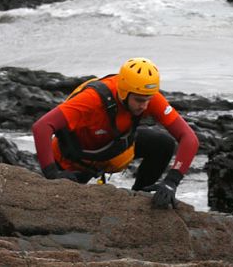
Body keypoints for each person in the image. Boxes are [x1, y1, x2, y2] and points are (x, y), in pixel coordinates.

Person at [32, 57, 199, 209]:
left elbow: (189, 138)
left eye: (148, 99)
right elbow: (42, 127)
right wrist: (52, 174)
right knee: (60, 208)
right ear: (124, 92)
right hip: (74, 162)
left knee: (162, 144)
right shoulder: (92, 99)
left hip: (111, 149)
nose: (145, 106)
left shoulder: (144, 95)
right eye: (140, 100)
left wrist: (171, 182)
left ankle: (139, 198)